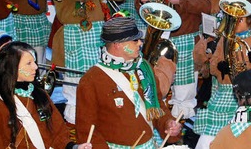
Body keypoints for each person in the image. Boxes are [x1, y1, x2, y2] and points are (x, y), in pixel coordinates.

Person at [49, 0, 131, 124]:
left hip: (98, 33)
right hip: (75, 35)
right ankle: (75, 132)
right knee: (77, 91)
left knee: (99, 84)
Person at [75, 17, 182, 148]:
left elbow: (158, 105)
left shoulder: (144, 68)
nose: (140, 44)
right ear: (118, 44)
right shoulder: (91, 80)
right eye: (135, 40)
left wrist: (168, 123)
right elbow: (86, 129)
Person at [193, 0, 251, 149]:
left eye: (239, 19)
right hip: (223, 95)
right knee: (209, 141)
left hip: (249, 98)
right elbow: (210, 69)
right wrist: (219, 67)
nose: (235, 21)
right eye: (232, 17)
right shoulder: (225, 39)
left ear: (250, 19)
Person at [0, 42, 91, 148]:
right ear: (12, 68)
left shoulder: (40, 95)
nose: (35, 67)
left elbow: (58, 133)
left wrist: (74, 147)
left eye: (34, 62)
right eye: (29, 63)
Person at [137, 0, 212, 118]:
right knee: (156, 85)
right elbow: (144, 11)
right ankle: (163, 126)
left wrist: (181, 0)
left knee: (183, 92)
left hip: (184, 41)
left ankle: (179, 130)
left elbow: (206, 6)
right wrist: (141, 0)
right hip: (159, 39)